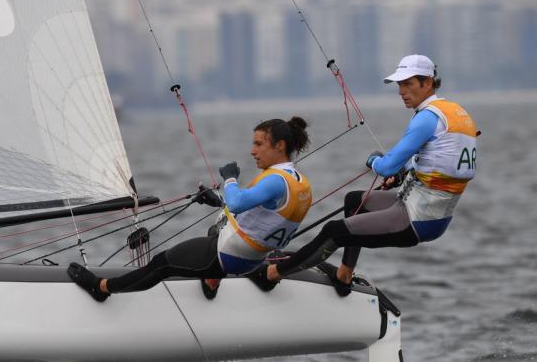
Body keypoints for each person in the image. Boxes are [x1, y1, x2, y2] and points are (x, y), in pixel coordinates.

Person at [260, 54, 477, 296]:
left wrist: (374, 160)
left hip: (418, 219)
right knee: (355, 201)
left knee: (334, 231)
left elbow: (385, 167)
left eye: (408, 84)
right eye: (399, 85)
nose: (401, 92)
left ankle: (273, 275)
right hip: (429, 210)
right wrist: (405, 174)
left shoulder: (427, 118)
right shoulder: (454, 112)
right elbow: (441, 162)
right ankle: (344, 275)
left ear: (427, 83)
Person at [67, 117, 313, 302]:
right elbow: (260, 217)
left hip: (228, 255)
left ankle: (101, 289)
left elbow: (237, 202)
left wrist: (229, 178)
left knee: (161, 264)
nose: (252, 151)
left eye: (259, 144)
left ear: (279, 145)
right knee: (216, 224)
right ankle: (211, 283)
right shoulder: (298, 181)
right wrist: (217, 199)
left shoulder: (274, 179)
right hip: (251, 257)